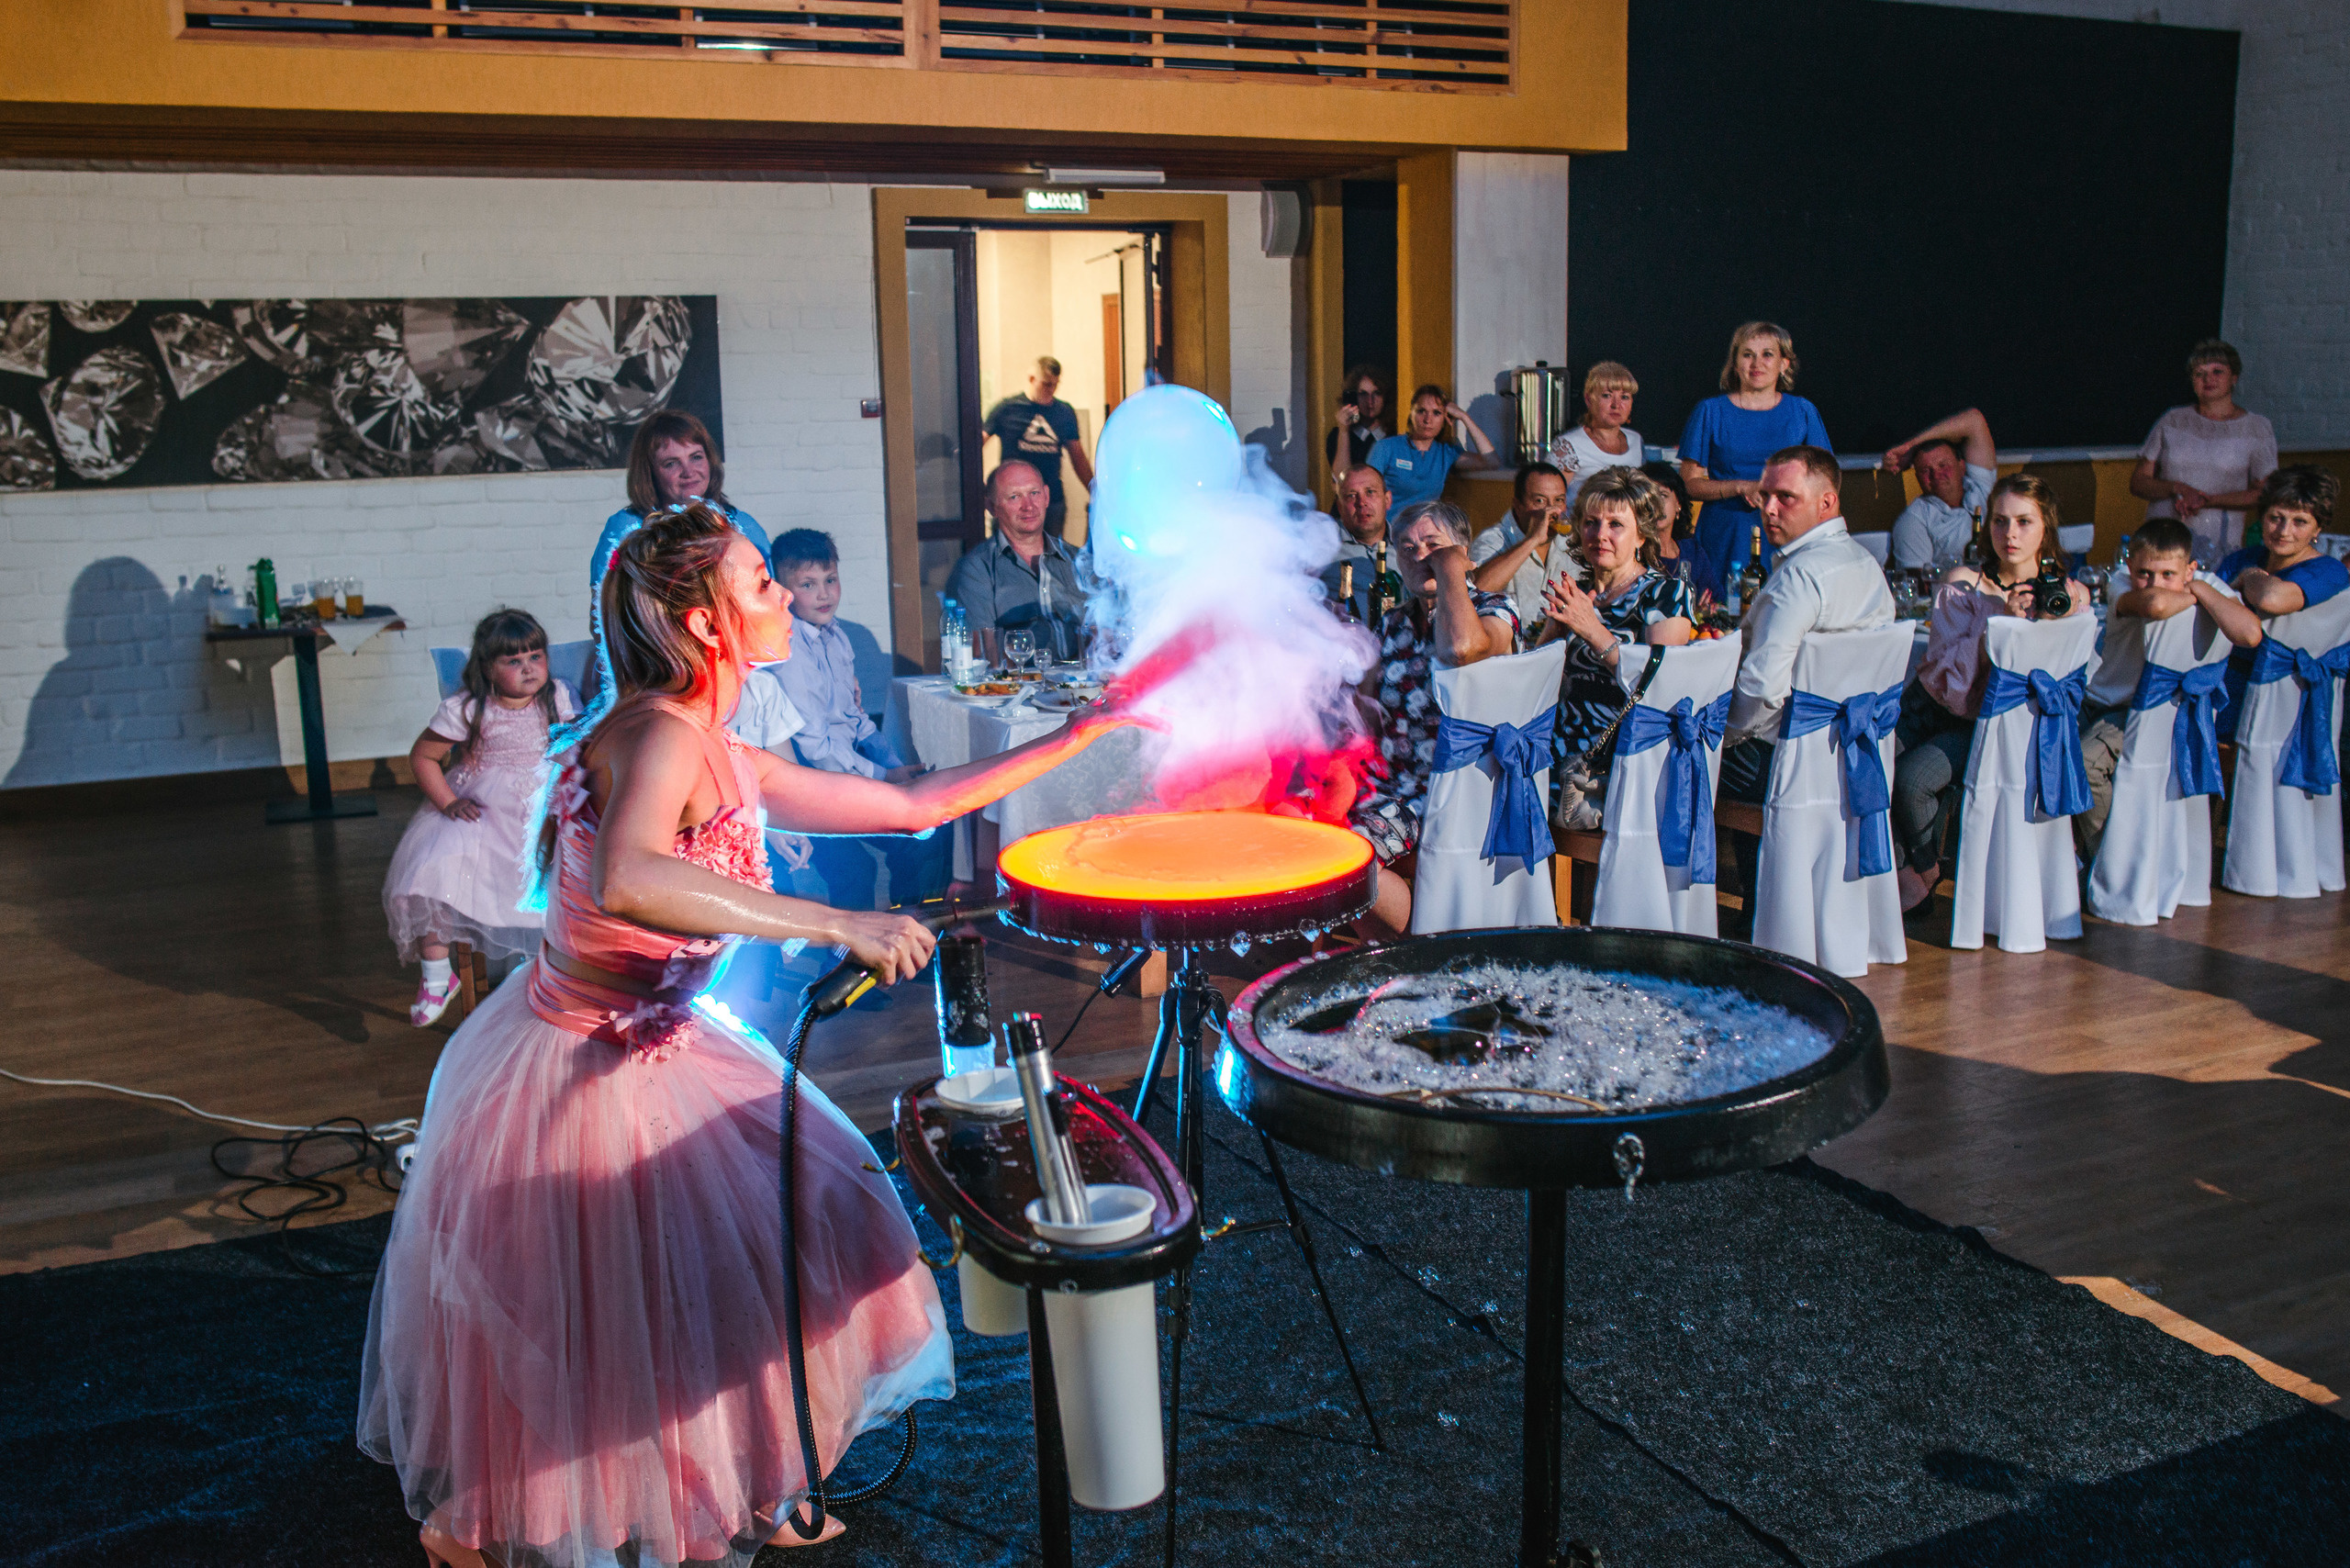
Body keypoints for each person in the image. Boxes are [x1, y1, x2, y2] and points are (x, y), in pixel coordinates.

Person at [363, 504, 1140, 1568]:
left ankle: (760, 1474)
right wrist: (837, 921)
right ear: (706, 618)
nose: (780, 593)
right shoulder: (654, 733)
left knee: (809, 1223)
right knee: (616, 1310)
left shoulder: (719, 742)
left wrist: (1078, 737)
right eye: (761, 581)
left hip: (675, 1043)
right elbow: (632, 871)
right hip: (580, 1065)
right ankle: (518, 1515)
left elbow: (908, 803)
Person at [1885, 474, 2093, 911]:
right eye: (2000, 522)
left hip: (1986, 719)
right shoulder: (1964, 582)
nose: (2010, 534)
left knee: (1910, 782)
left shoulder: (2061, 595)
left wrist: (2055, 610)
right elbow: (1943, 667)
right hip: (1929, 702)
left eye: (2023, 522)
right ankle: (1906, 874)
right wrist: (1995, 620)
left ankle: (1924, 873)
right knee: (1868, 767)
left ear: (2045, 529)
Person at [1718, 446, 1894, 924]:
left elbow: (1760, 691)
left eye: (1785, 498)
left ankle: (1747, 917)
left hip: (1788, 760)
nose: (1768, 508)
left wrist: (1719, 739)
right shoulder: (1866, 564)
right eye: (1765, 495)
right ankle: (1774, 911)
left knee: (1682, 761)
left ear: (1827, 503)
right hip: (1853, 753)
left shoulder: (1797, 577)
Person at [385, 608, 578, 1027]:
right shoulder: (469, 708)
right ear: (488, 669)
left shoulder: (557, 697)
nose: (529, 668)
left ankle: (541, 977)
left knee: (552, 870)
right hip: (481, 807)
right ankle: (437, 975)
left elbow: (581, 745)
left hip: (541, 803)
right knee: (431, 869)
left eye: (536, 656)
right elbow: (424, 756)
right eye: (513, 661)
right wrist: (448, 801)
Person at [1347, 499, 1518, 938]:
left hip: (1453, 789)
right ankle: (1400, 952)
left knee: (1348, 858)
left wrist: (1450, 573)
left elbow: (1461, 650)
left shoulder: (1495, 611)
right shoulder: (1392, 623)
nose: (1420, 555)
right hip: (1387, 785)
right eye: (1407, 548)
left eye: (1434, 546)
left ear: (1463, 553)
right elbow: (1363, 712)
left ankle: (1407, 953)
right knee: (1311, 838)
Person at [763, 527, 950, 912]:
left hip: (846, 775)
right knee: (856, 869)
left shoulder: (837, 637)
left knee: (929, 832)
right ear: (783, 592)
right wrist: (882, 780)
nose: (825, 593)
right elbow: (816, 749)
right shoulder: (790, 651)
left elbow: (858, 720)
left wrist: (896, 770)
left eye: (830, 580)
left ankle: (910, 926)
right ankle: (854, 956)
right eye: (808, 584)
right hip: (812, 788)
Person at [2072, 516, 2264, 863]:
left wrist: (2202, 589)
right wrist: (2198, 592)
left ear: (2190, 569)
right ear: (2129, 564)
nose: (2152, 583)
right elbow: (2155, 605)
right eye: (2144, 573)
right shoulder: (2120, 582)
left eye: (2167, 575)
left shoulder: (2202, 584)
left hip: (2140, 710)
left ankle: (2111, 861)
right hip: (2099, 699)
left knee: (2086, 763)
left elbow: (2250, 635)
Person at [1530, 466, 1695, 832]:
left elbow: (1657, 687)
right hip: (1555, 742)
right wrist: (1554, 632)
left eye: (1615, 525)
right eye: (1591, 522)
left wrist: (1592, 629)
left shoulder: (1667, 595)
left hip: (1617, 757)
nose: (1600, 535)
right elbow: (1533, 682)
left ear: (1641, 535)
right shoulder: (1580, 591)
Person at [1678, 321, 1832, 586]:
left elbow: (1826, 481)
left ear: (1784, 364)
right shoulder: (1710, 411)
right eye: (1747, 355)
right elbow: (1688, 485)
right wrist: (1740, 487)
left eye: (1767, 354)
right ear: (1735, 363)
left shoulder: (1803, 412)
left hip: (1788, 530)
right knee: (1720, 618)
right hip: (1726, 534)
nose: (1756, 363)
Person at [2210, 465, 2348, 738]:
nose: (2284, 531)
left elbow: (2270, 598)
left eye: (2300, 521)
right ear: (2261, 518)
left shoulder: (2327, 570)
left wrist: (2249, 577)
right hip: (2221, 683)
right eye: (2276, 517)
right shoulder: (2241, 559)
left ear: (2317, 528)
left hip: (2283, 698)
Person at [2129, 339, 2279, 566]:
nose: (2208, 379)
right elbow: (2138, 482)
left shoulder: (2256, 428)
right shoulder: (2172, 420)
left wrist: (2208, 501)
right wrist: (2177, 488)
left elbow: (2264, 493)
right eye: (2199, 374)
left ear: (2234, 379)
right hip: (2162, 537)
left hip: (2217, 541)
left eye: (2217, 371)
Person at [590, 410, 767, 599]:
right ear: (649, 474)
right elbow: (601, 617)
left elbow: (775, 602)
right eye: (671, 463)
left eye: (696, 457)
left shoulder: (743, 525)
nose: (688, 471)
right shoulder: (627, 529)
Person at [944, 460, 1090, 664]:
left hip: (1081, 688)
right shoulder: (976, 569)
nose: (1028, 506)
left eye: (1034, 493)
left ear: (1047, 496)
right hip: (1016, 690)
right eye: (1014, 497)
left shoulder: (1078, 561)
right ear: (992, 507)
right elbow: (980, 654)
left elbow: (1106, 632)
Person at [1343, 383, 1501, 522]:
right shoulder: (1386, 448)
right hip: (1388, 534)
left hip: (1424, 536)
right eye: (1421, 411)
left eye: (1436, 413)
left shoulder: (1446, 453)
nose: (1427, 419)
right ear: (1412, 414)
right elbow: (1366, 493)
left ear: (1445, 418)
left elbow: (1492, 461)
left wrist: (1464, 417)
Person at [983, 355, 1095, 542]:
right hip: (1011, 500)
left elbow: (1078, 457)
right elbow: (976, 443)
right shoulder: (1007, 409)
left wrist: (1095, 490)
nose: (1050, 390)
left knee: (1048, 560)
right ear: (1031, 379)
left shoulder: (1064, 413)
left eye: (1055, 385)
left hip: (1050, 501)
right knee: (1006, 558)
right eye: (1045, 384)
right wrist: (980, 488)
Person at [1882, 408, 1998, 572]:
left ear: (1962, 466)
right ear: (1917, 478)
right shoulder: (1914, 520)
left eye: (1943, 465)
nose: (1936, 475)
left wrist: (1911, 446)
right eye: (1925, 470)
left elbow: (1974, 420)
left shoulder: (1982, 488)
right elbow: (1918, 586)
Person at [1469, 461, 1574, 633]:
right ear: (1518, 506)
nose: (1551, 511)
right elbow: (1476, 592)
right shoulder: (1493, 540)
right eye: (1540, 501)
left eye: (1558, 500)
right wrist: (1531, 541)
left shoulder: (1571, 541)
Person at [1550, 361, 1643, 511]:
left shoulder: (1635, 440)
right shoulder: (1569, 444)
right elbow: (1550, 500)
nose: (1616, 405)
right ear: (1589, 400)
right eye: (1607, 396)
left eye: (1624, 397)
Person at [1639, 460, 1722, 607]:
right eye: (1649, 497)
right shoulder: (1633, 553)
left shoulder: (1692, 550)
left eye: (1663, 495)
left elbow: (1717, 600)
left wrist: (1708, 609)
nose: (1656, 505)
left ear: (1678, 503)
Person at [1319, 465, 1391, 622]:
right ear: (1339, 506)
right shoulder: (1321, 544)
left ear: (1387, 500)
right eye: (1351, 496)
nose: (1361, 503)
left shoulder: (1410, 546)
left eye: (1370, 492)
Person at [1326, 363, 1392, 474]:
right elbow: (1341, 477)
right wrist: (1344, 431)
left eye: (1377, 393)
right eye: (1363, 394)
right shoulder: (1337, 435)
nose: (1370, 401)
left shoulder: (1393, 434)